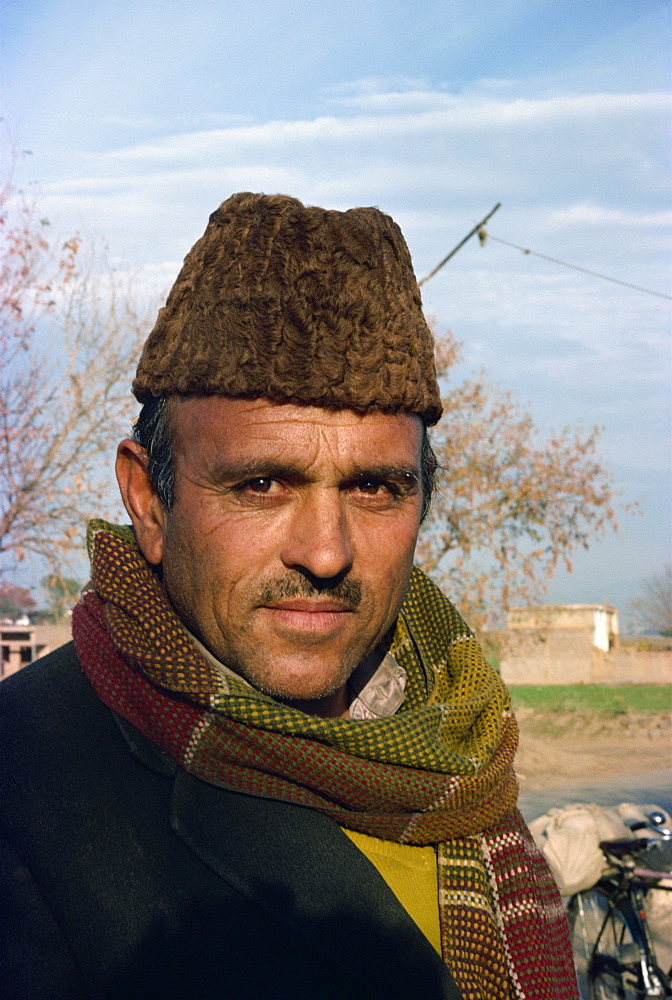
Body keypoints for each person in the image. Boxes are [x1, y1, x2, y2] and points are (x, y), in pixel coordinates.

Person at [0, 194, 579, 1000]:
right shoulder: (26, 782)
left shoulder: (463, 749)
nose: (327, 552)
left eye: (376, 488)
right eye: (263, 483)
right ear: (149, 501)